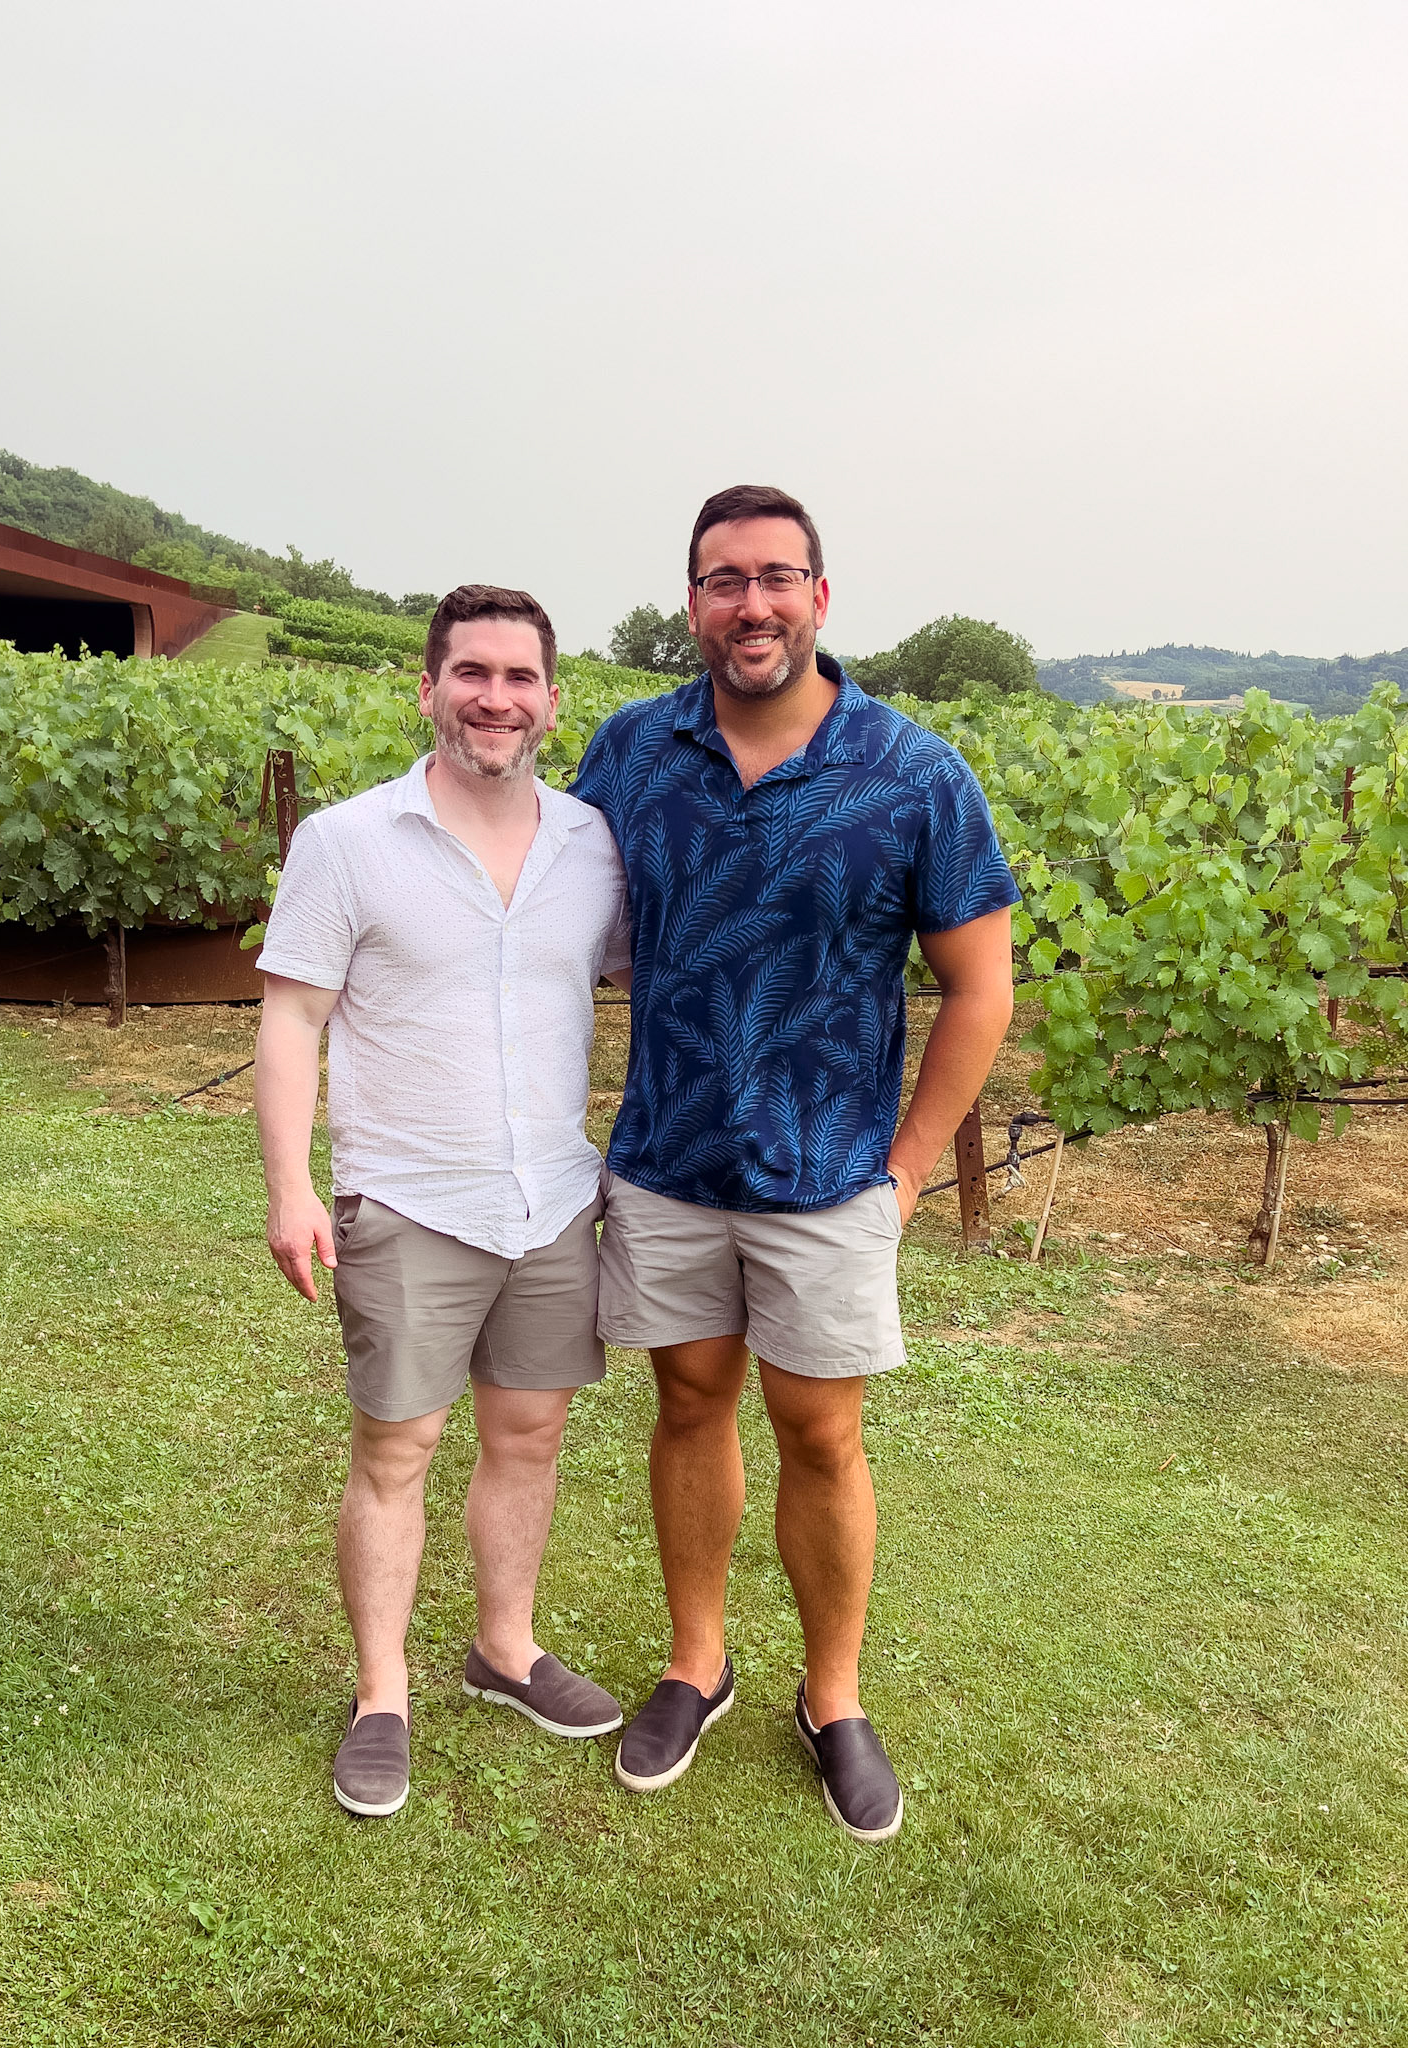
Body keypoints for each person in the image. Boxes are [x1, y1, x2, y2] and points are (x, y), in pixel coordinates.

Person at [571, 485, 1019, 1841]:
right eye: (721, 580)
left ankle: (832, 1698)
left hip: (827, 1177)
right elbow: (549, 924)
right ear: (691, 604)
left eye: (775, 578)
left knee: (820, 1434)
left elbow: (978, 986)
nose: (748, 603)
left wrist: (904, 1166)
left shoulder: (911, 771)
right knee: (688, 1410)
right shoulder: (629, 754)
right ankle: (695, 1663)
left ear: (818, 598)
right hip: (664, 1162)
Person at [254, 584, 631, 1819]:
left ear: (551, 701)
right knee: (396, 1449)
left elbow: (635, 980)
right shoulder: (350, 842)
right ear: (428, 687)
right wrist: (291, 1186)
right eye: (471, 671)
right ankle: (380, 1695)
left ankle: (505, 1650)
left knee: (528, 1436)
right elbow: (292, 1015)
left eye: (518, 677)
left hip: (551, 1200)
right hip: (410, 1200)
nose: (494, 697)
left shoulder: (592, 844)